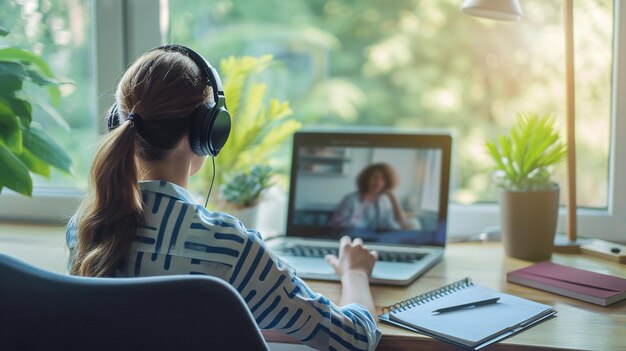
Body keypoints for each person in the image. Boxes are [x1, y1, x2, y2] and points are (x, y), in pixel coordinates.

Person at [66, 45, 381, 351]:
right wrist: (354, 273)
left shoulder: (87, 226)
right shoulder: (230, 247)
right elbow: (353, 339)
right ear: (208, 131)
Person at [330, 163, 405, 231]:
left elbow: (399, 224)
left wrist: (393, 197)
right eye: (375, 177)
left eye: (383, 179)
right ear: (367, 179)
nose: (378, 181)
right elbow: (335, 225)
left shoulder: (384, 201)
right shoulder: (350, 199)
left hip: (377, 241)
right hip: (352, 239)